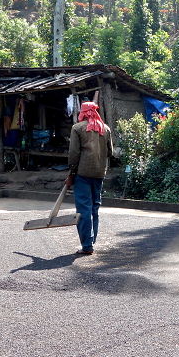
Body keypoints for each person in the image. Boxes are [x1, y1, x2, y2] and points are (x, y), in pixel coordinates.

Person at [66, 101, 113, 255]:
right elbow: (110, 152)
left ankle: (87, 245)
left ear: (83, 112)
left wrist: (71, 173)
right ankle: (91, 241)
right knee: (94, 208)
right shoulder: (105, 129)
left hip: (83, 173)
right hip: (99, 174)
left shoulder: (77, 128)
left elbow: (74, 154)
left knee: (84, 209)